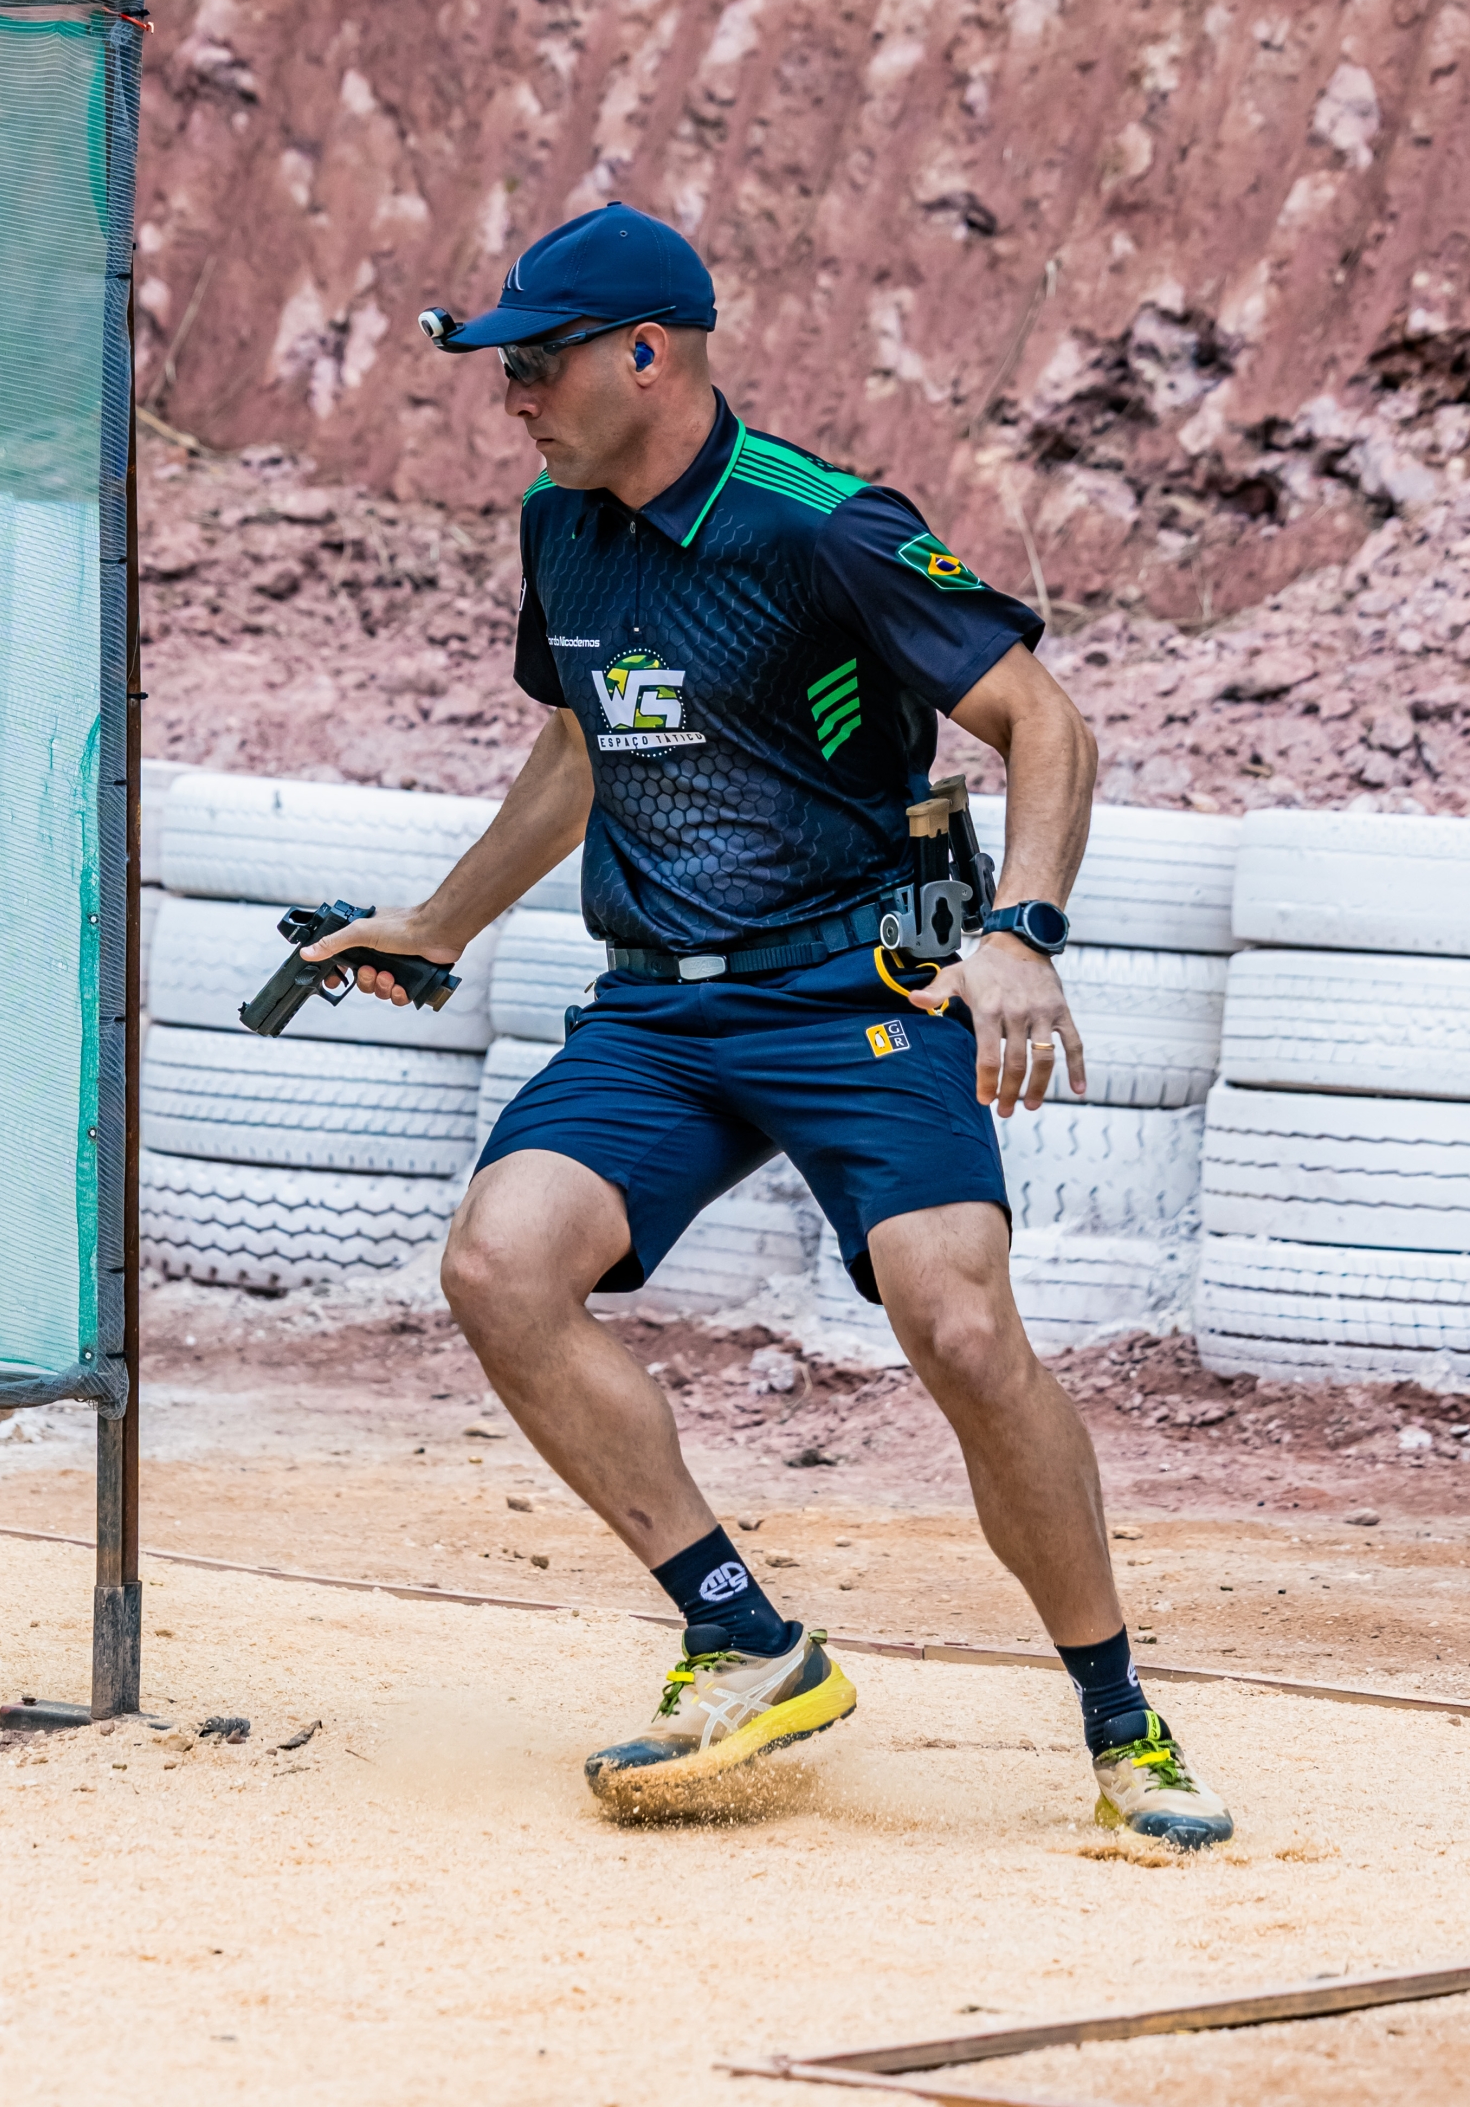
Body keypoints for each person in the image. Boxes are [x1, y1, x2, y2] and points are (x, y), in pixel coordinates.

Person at [307, 203, 1233, 1848]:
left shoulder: (823, 527)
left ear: (645, 354)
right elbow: (580, 750)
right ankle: (742, 1635)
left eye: (536, 365)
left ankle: (1121, 1723)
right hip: (660, 1009)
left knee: (959, 1327)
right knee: (498, 1267)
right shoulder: (559, 525)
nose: (512, 398)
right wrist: (441, 924)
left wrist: (1022, 932)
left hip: (858, 988)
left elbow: (1044, 723)